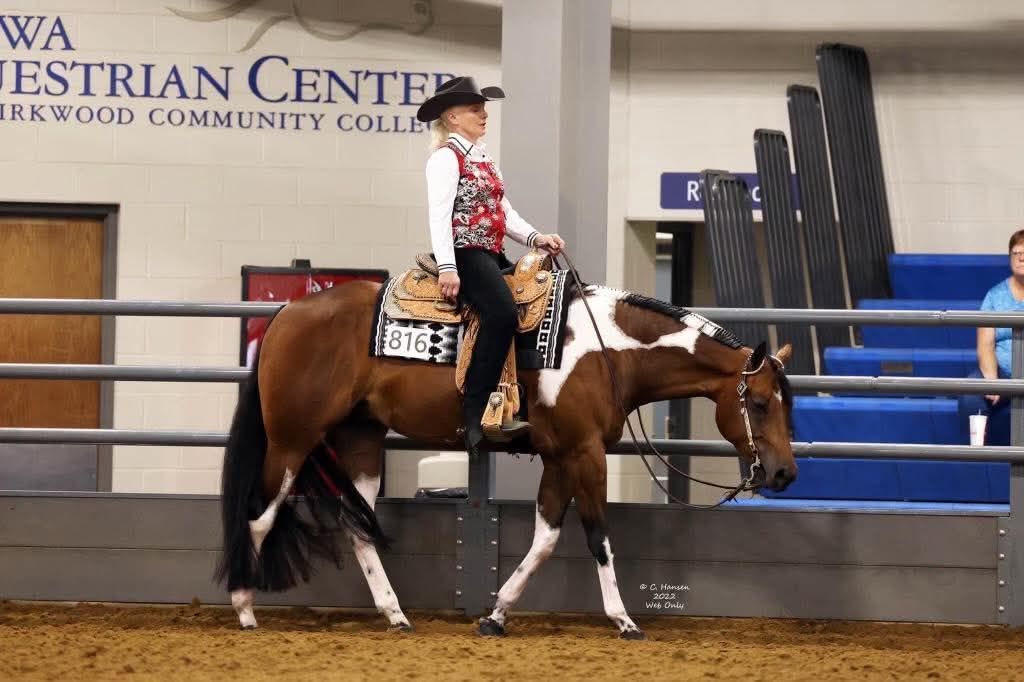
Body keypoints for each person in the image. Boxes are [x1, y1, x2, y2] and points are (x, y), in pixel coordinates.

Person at [416, 76, 566, 457]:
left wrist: (536, 237)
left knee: (537, 301)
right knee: (500, 312)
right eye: (473, 108)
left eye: (483, 107)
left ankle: (515, 399)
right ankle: (476, 411)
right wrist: (448, 267)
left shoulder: (481, 157)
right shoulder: (446, 159)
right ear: (451, 117)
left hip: (489, 253)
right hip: (465, 254)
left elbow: (504, 213)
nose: (483, 114)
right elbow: (439, 215)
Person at [958, 229, 1024, 446]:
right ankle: (978, 454)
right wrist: (992, 381)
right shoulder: (995, 296)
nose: (1021, 257)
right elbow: (985, 344)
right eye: (1016, 253)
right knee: (971, 392)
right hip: (1003, 376)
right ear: (1009, 259)